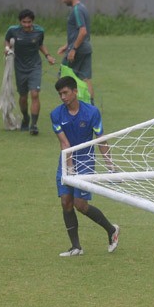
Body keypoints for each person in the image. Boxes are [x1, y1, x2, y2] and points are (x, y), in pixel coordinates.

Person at [52, 75, 119, 257]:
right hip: (66, 162)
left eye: (66, 93)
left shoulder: (92, 113)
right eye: (60, 94)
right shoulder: (56, 115)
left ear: (75, 91)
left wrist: (110, 166)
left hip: (86, 162)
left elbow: (101, 139)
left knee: (80, 205)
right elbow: (64, 144)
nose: (63, 97)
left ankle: (111, 229)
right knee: (66, 202)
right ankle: (76, 247)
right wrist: (69, 169)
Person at [4, 8, 56, 135]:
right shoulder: (13, 30)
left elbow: (40, 44)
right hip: (20, 67)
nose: (27, 25)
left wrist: (48, 55)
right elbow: (7, 40)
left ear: (33, 21)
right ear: (20, 22)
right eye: (24, 22)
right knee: (23, 96)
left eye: (29, 22)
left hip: (35, 66)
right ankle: (25, 118)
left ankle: (33, 125)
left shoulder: (39, 31)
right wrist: (7, 48)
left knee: (34, 94)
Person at [57, 0, 95, 104]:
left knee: (63, 76)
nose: (63, 1)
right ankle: (91, 106)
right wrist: (66, 45)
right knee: (85, 78)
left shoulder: (77, 10)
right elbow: (78, 33)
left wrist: (73, 49)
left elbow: (82, 31)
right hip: (86, 47)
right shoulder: (82, 7)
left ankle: (69, 105)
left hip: (78, 49)